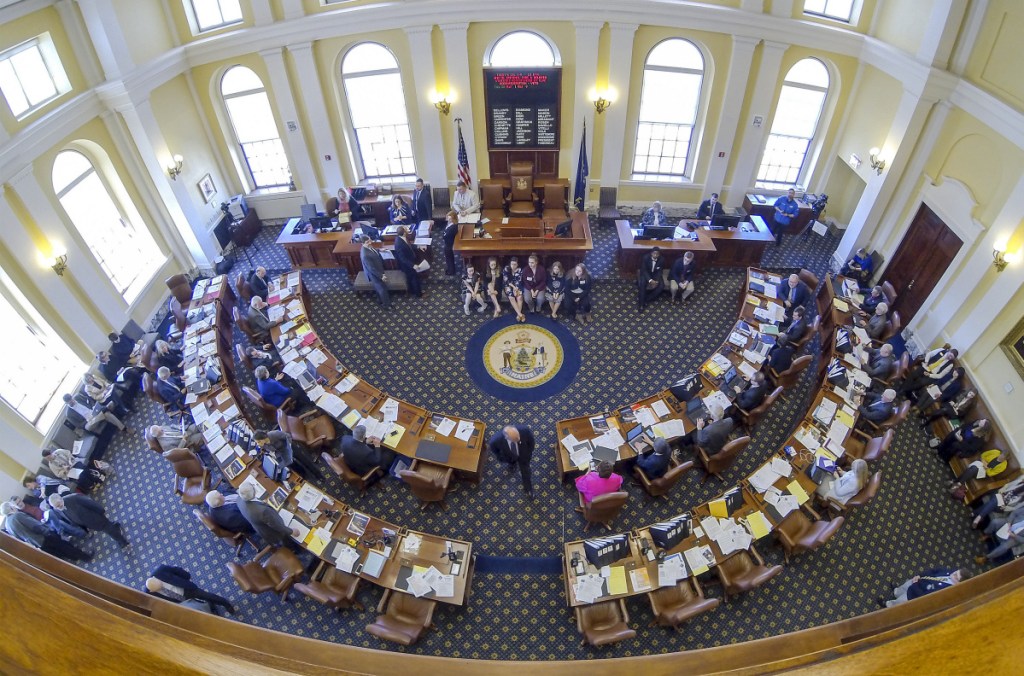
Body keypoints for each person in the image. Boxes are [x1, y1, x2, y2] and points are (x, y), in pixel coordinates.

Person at [1, 502, 93, 562]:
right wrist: (48, 531)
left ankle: (75, 557)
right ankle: (86, 557)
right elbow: (35, 526)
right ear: (11, 508)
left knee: (62, 551)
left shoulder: (8, 526)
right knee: (65, 546)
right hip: (45, 536)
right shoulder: (17, 516)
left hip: (38, 543)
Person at [145, 565, 236, 616]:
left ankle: (225, 604)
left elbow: (177, 570)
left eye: (161, 586)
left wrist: (187, 578)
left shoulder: (160, 570)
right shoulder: (148, 594)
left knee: (207, 596)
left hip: (187, 589)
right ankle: (209, 606)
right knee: (196, 608)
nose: (161, 588)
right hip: (179, 602)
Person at [48, 492, 129, 548]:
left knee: (109, 530)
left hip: (96, 518)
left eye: (58, 505)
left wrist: (101, 511)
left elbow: (90, 503)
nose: (58, 508)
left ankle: (123, 542)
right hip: (88, 524)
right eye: (56, 507)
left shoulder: (74, 498)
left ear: (60, 498)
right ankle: (115, 525)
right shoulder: (58, 510)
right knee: (108, 527)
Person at [236, 483, 299, 548]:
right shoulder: (263, 511)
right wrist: (291, 532)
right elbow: (276, 525)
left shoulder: (239, 499)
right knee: (289, 542)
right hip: (274, 533)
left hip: (260, 527)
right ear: (254, 493)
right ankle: (295, 549)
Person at [255, 428, 324, 482]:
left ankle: (318, 475)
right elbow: (272, 450)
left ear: (263, 438)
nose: (258, 444)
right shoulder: (263, 445)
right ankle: (305, 475)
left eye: (259, 441)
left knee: (304, 461)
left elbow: (287, 436)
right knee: (293, 466)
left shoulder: (273, 434)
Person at [488, 425, 535, 498]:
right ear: (507, 437)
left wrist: (528, 453)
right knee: (511, 463)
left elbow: (532, 443)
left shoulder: (525, 430)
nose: (519, 440)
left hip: (524, 457)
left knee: (526, 472)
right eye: (516, 439)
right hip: (509, 456)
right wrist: (501, 458)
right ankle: (512, 465)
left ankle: (528, 489)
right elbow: (495, 451)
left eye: (518, 437)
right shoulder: (495, 441)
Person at [879, 568, 961, 608]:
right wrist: (920, 575)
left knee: (898, 602)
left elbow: (924, 596)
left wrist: (915, 584)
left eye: (956, 576)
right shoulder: (950, 572)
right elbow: (933, 571)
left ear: (958, 584)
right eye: (956, 572)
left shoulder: (945, 591)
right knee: (902, 588)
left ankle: (887, 605)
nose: (953, 574)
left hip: (913, 595)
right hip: (918, 580)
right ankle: (895, 592)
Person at [41, 448, 107, 493]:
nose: (48, 459)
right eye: (47, 459)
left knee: (84, 469)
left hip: (73, 464)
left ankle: (95, 480)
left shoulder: (59, 451)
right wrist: (64, 470)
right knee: (80, 477)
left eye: (48, 457)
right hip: (68, 473)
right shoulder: (51, 464)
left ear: (51, 453)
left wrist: (69, 460)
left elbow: (68, 453)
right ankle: (92, 486)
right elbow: (58, 474)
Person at [62, 392, 127, 434]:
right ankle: (104, 409)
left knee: (107, 415)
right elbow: (79, 425)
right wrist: (88, 420)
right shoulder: (69, 413)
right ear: (66, 403)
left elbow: (89, 400)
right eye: (70, 401)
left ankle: (124, 428)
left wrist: (93, 406)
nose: (72, 401)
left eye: (72, 399)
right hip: (89, 422)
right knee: (89, 426)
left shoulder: (77, 397)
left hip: (94, 413)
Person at [359, 234, 391, 309]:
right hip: (375, 274)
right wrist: (381, 276)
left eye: (370, 240)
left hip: (378, 269)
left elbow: (372, 251)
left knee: (379, 288)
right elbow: (371, 268)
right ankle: (386, 305)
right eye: (367, 242)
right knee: (382, 289)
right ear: (362, 243)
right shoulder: (365, 254)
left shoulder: (368, 247)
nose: (370, 242)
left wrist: (379, 250)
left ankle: (380, 300)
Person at [393, 225, 423, 298]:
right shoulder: (399, 244)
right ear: (404, 233)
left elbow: (409, 246)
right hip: (407, 265)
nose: (408, 230)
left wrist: (418, 246)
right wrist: (413, 265)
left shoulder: (402, 238)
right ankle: (419, 294)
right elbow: (402, 258)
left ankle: (411, 291)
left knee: (410, 278)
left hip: (410, 261)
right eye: (406, 229)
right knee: (414, 278)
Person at [503, 257, 526, 323]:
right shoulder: (506, 268)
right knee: (511, 297)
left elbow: (519, 280)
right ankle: (520, 314)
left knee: (519, 297)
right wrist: (513, 288)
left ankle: (518, 315)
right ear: (510, 264)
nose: (513, 266)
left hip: (517, 286)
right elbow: (506, 280)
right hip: (508, 285)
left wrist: (516, 289)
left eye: (515, 264)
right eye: (512, 264)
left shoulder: (520, 270)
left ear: (517, 264)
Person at [442, 210, 458, 276]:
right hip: (448, 243)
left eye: (450, 218)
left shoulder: (453, 227)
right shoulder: (450, 224)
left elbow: (445, 236)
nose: (448, 219)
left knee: (449, 258)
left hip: (449, 244)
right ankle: (450, 269)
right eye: (448, 217)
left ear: (453, 219)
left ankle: (451, 271)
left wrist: (444, 234)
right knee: (449, 258)